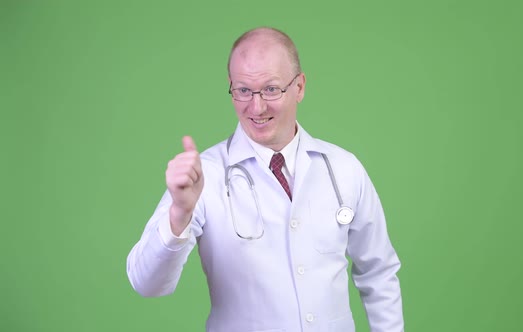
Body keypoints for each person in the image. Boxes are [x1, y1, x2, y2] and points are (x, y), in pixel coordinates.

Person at [127, 27, 404, 332]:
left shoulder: (343, 168)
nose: (256, 107)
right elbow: (146, 283)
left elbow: (379, 274)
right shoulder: (204, 175)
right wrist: (179, 214)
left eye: (271, 89)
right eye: (243, 90)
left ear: (299, 86)